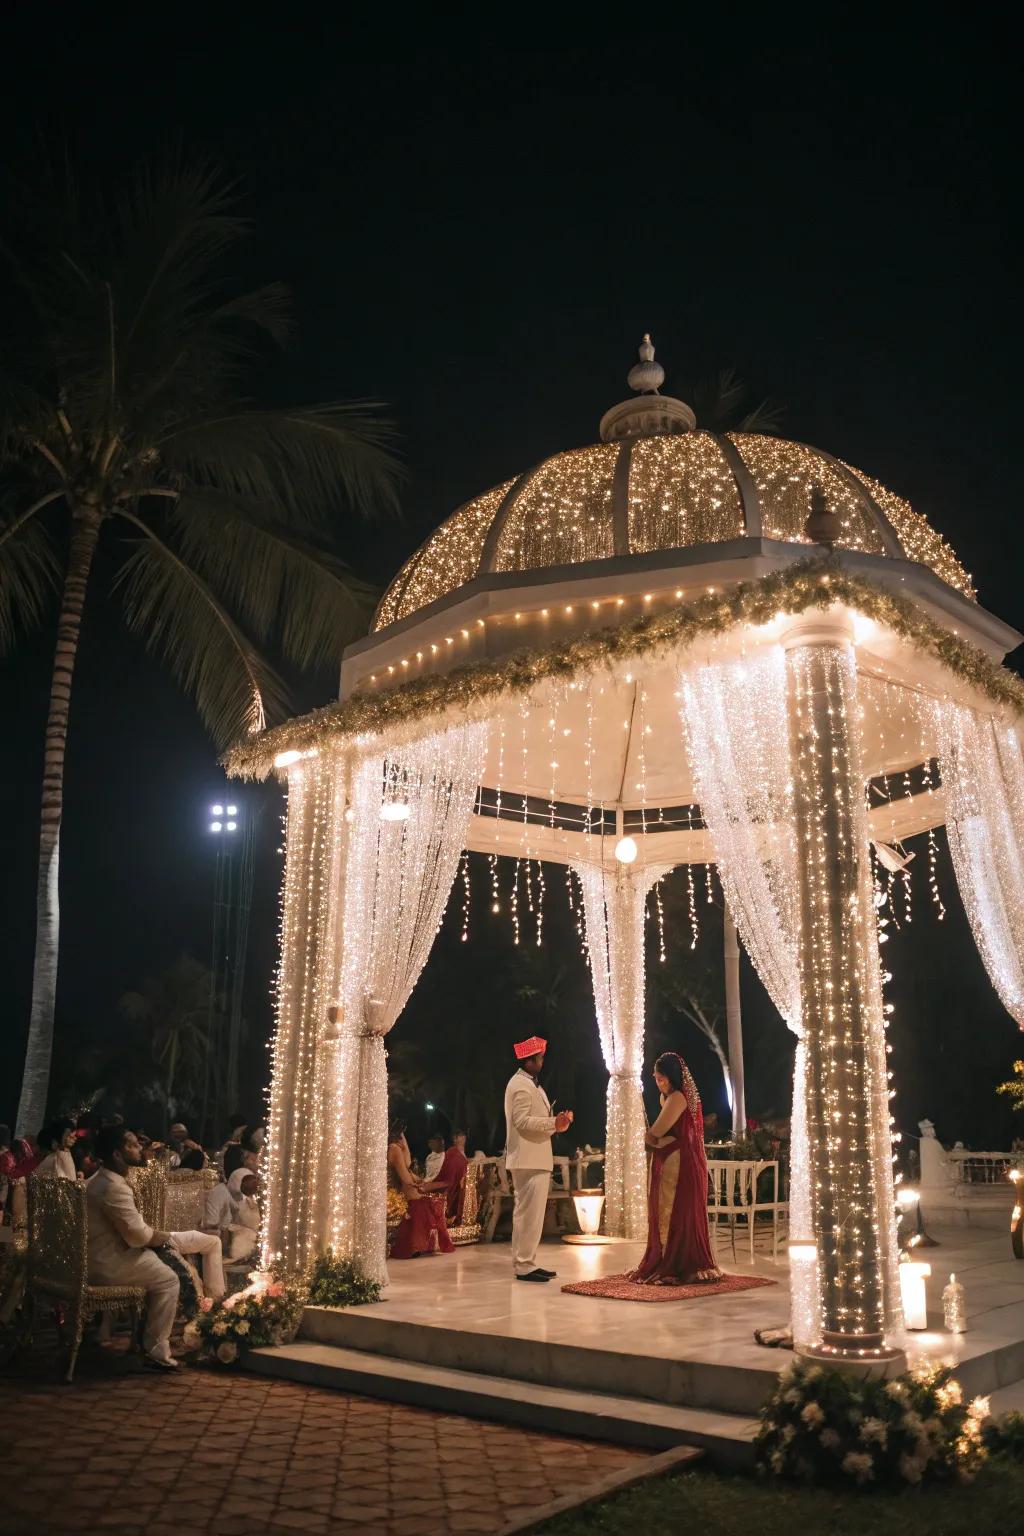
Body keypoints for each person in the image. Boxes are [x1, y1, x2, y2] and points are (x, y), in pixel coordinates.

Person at [86, 1125, 182, 1370]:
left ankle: (141, 1341)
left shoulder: (98, 1179)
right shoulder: (112, 1187)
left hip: (91, 1258)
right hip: (108, 1264)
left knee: (161, 1259)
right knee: (169, 1280)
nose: (140, 1148)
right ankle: (155, 1349)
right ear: (117, 1154)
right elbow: (137, 1236)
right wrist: (161, 1237)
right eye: (132, 1144)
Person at [627, 1052, 722, 1286]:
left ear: (672, 1077)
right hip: (671, 1159)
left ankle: (676, 1261)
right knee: (666, 1211)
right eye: (656, 1079)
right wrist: (656, 1141)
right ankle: (668, 1256)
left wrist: (653, 1139)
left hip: (678, 1164)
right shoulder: (669, 1098)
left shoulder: (677, 1098)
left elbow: (654, 1134)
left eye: (662, 1079)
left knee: (673, 1211)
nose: (658, 1083)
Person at [504, 1037, 573, 1282]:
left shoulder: (533, 1085)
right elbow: (521, 1121)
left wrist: (557, 1124)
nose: (543, 1062)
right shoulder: (521, 1085)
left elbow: (538, 1122)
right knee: (527, 1214)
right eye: (540, 1058)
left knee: (531, 1215)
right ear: (529, 1060)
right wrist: (552, 1122)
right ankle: (523, 1265)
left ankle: (527, 1262)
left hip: (534, 1157)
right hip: (528, 1159)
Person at [387, 1118, 454, 1259]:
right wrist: (420, 1185)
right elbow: (406, 1177)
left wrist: (420, 1182)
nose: (404, 1139)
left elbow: (408, 1165)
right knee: (424, 1203)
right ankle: (415, 1246)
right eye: (402, 1134)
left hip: (403, 1189)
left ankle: (421, 1245)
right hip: (394, 1193)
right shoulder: (394, 1149)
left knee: (429, 1200)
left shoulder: (396, 1148)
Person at [437, 1131, 469, 1222]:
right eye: (460, 1136)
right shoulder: (451, 1152)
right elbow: (448, 1168)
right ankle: (450, 1215)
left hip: (463, 1182)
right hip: (453, 1182)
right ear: (454, 1138)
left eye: (464, 1135)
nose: (463, 1138)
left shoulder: (465, 1151)